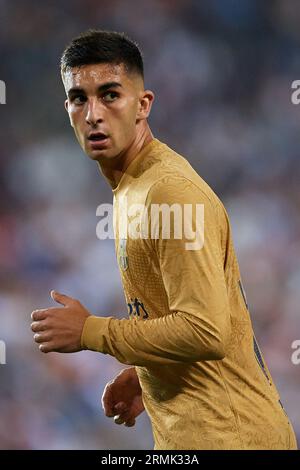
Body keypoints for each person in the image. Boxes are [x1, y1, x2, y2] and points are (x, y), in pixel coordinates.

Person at [31, 30, 297, 450]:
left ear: (143, 104)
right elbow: (183, 312)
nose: (94, 114)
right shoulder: (132, 186)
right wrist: (150, 371)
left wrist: (90, 332)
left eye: (110, 95)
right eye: (79, 98)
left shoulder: (168, 190)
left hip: (233, 439)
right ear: (67, 107)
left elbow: (204, 330)